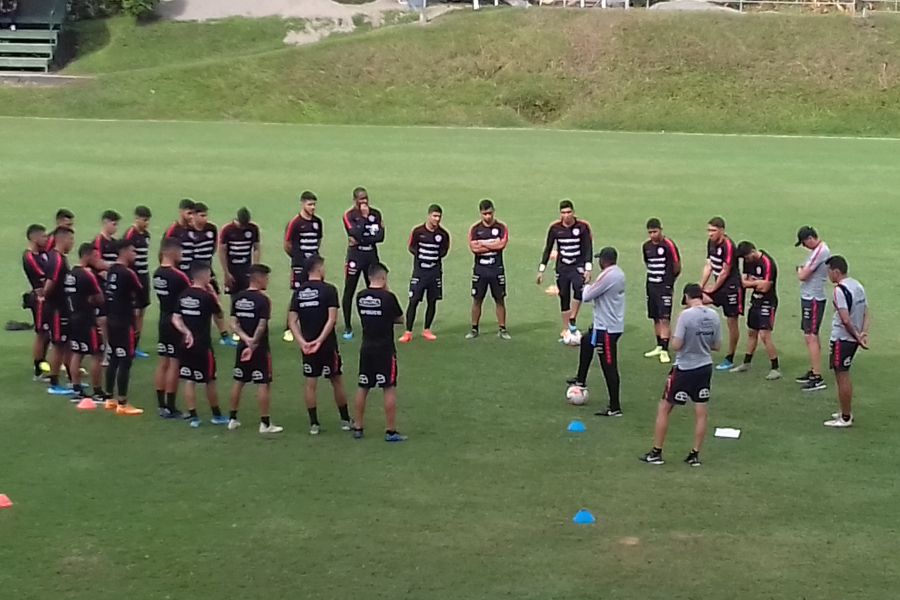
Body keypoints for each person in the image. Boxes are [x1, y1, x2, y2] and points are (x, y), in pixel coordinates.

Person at [640, 283, 722, 467]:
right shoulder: (714, 316)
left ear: (686, 296)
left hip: (684, 368)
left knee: (664, 408)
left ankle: (656, 452)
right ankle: (695, 454)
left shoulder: (685, 316)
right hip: (705, 366)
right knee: (701, 412)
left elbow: (676, 344)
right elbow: (717, 346)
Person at [288, 255, 352, 435]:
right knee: (336, 380)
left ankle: (314, 424)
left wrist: (303, 342)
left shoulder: (299, 292)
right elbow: (332, 319)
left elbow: (292, 321)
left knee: (310, 383)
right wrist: (320, 341)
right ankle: (345, 420)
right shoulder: (329, 290)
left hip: (307, 346)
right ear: (318, 269)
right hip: (327, 345)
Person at [567, 247, 626, 417]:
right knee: (586, 342)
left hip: (607, 329)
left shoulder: (609, 275)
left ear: (605, 260)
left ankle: (614, 407)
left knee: (609, 366)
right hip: (602, 324)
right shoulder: (617, 273)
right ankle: (581, 379)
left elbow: (587, 296)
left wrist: (584, 283)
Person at [352, 263, 406, 442]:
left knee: (363, 386)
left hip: (366, 347)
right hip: (385, 349)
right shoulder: (388, 297)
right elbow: (400, 318)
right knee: (388, 387)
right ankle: (390, 431)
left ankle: (358, 427)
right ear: (383, 278)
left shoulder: (360, 297)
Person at [227, 264, 283, 434]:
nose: (267, 281)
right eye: (266, 277)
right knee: (263, 383)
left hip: (242, 347)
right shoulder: (263, 300)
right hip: (259, 347)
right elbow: (261, 324)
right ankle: (265, 423)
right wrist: (253, 341)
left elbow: (234, 323)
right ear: (258, 278)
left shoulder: (238, 298)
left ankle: (232, 419)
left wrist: (245, 340)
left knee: (239, 381)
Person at [172, 261, 228, 428]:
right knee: (209, 380)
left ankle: (194, 416)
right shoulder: (206, 297)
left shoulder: (184, 294)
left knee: (189, 379)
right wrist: (213, 293)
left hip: (185, 344)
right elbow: (219, 314)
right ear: (204, 275)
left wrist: (185, 332)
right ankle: (216, 415)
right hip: (203, 345)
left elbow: (176, 318)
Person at [823, 256, 869, 428]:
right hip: (852, 339)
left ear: (836, 271)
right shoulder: (857, 285)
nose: (828, 275)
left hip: (843, 339)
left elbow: (845, 319)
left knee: (841, 375)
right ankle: (844, 410)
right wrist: (863, 333)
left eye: (829, 272)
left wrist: (857, 337)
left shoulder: (839, 290)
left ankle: (845, 417)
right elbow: (865, 311)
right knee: (843, 374)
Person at [537, 199, 593, 340]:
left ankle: (572, 318)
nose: (566, 215)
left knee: (579, 287)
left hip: (577, 264)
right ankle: (566, 328)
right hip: (562, 266)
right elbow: (548, 248)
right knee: (564, 295)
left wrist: (588, 268)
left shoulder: (582, 227)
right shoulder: (555, 229)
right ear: (560, 214)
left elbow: (588, 248)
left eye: (569, 212)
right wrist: (541, 270)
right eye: (563, 213)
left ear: (573, 212)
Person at [102, 240, 144, 415]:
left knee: (114, 359)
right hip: (124, 322)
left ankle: (109, 399)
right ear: (124, 252)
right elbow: (140, 292)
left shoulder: (112, 270)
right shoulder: (128, 273)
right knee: (125, 361)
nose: (135, 255)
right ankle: (123, 403)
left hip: (112, 320)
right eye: (133, 251)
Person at [153, 238, 192, 418]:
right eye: (179, 251)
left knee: (163, 362)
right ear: (171, 252)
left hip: (162, 319)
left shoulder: (157, 273)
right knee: (174, 364)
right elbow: (190, 295)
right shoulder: (179, 276)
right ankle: (171, 406)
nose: (181, 254)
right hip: (176, 322)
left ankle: (161, 405)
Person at [399, 204, 450, 343]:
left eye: (439, 216)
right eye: (434, 216)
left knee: (432, 301)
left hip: (434, 273)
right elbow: (411, 246)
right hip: (419, 272)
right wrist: (421, 256)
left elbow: (444, 251)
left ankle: (427, 329)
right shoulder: (418, 232)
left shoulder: (443, 234)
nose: (437, 219)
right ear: (428, 216)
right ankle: (408, 331)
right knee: (414, 301)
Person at [731, 242, 781, 380]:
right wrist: (756, 283)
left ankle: (775, 368)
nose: (746, 261)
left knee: (765, 335)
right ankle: (746, 363)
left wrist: (752, 283)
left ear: (753, 251)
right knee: (752, 332)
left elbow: (765, 287)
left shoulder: (768, 263)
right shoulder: (748, 261)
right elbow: (743, 282)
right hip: (755, 301)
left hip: (768, 302)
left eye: (747, 257)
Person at [341, 187, 385, 340]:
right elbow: (354, 233)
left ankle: (374, 325)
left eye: (366, 198)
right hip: (355, 257)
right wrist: (365, 224)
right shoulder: (348, 215)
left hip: (371, 256)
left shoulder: (376, 214)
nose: (364, 201)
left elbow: (381, 236)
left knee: (375, 290)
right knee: (349, 291)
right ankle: (347, 327)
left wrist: (363, 236)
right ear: (355, 201)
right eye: (361, 199)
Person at [65, 243, 106, 402]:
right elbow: (100, 298)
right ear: (87, 256)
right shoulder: (88, 275)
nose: (97, 259)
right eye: (95, 256)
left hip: (73, 317)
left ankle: (76, 389)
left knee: (77, 352)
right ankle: (97, 391)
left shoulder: (70, 274)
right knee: (97, 354)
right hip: (87, 319)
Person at [700, 216, 741, 370]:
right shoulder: (710, 243)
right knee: (692, 302)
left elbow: (725, 271)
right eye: (708, 230)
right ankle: (695, 344)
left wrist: (713, 288)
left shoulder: (729, 246)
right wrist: (701, 285)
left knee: (731, 322)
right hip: (718, 286)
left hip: (730, 288)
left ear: (722, 231)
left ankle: (730, 357)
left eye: (713, 230)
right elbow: (709, 265)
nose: (710, 234)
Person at [282, 192, 323, 342]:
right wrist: (298, 258)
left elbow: (318, 241)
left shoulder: (318, 222)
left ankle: (313, 325)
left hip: (314, 266)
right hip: (299, 265)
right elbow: (287, 245)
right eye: (309, 204)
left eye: (314, 204)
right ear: (302, 204)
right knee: (297, 295)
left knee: (317, 292)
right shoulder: (295, 223)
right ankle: (289, 328)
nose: (312, 207)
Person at [467, 199, 510, 340]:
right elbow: (473, 248)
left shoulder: (502, 227)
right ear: (480, 213)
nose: (488, 216)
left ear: (494, 211)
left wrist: (483, 244)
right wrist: (492, 243)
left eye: (490, 213)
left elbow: (502, 244)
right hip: (480, 270)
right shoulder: (475, 229)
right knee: (477, 300)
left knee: (499, 299)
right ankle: (474, 329)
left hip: (496, 269)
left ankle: (502, 329)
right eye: (485, 214)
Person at [795, 226, 831, 392]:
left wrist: (800, 271)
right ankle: (813, 370)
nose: (804, 246)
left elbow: (802, 274)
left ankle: (817, 377)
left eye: (804, 243)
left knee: (812, 336)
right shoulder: (816, 251)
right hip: (809, 297)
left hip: (814, 299)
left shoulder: (820, 251)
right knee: (809, 335)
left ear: (810, 238)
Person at [641, 218, 681, 364]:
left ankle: (665, 349)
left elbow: (677, 266)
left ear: (661, 230)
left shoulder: (669, 245)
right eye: (650, 232)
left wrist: (669, 282)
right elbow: (647, 262)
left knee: (665, 317)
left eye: (655, 231)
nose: (652, 235)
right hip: (651, 285)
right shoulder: (646, 246)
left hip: (664, 286)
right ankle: (659, 345)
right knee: (655, 316)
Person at [42, 227, 75, 396]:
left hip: (63, 308)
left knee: (67, 344)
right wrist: (46, 297)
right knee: (59, 346)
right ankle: (54, 383)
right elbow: (50, 284)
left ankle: (72, 380)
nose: (72, 243)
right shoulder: (57, 260)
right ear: (63, 240)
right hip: (56, 310)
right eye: (71, 239)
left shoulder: (60, 257)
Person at [123, 206, 152, 358]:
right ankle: (130, 344)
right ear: (136, 218)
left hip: (144, 276)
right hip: (133, 277)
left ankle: (136, 344)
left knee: (142, 310)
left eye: (148, 220)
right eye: (144, 220)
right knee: (134, 312)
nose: (146, 223)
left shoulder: (146, 235)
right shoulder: (130, 234)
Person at [22, 224, 50, 381]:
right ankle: (38, 370)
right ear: (34, 238)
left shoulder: (43, 254)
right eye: (43, 236)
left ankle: (43, 365)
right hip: (39, 300)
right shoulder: (29, 257)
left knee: (47, 335)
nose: (46, 239)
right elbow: (43, 274)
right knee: (41, 334)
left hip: (48, 299)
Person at [219, 207, 261, 305]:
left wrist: (255, 268)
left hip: (246, 269)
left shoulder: (253, 229)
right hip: (232, 269)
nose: (243, 227)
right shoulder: (227, 230)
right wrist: (226, 272)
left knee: (249, 295)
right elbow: (222, 251)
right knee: (234, 298)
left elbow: (256, 248)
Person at [163, 198, 196, 275]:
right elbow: (164, 252)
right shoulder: (173, 230)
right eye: (189, 213)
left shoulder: (192, 229)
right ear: (181, 212)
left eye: (193, 214)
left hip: (191, 272)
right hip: (178, 272)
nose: (191, 217)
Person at [93, 210, 121, 278]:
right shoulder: (99, 241)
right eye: (114, 224)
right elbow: (96, 260)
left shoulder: (115, 242)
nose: (116, 228)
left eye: (117, 225)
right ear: (105, 222)